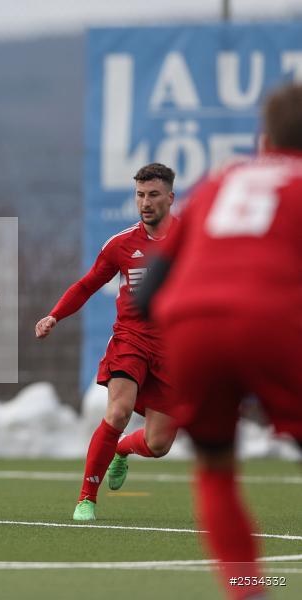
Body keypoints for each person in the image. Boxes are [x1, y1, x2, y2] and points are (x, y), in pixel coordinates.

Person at [138, 82, 302, 600]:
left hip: (190, 324)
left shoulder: (221, 179)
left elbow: (149, 294)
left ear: (265, 134)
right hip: (272, 319)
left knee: (215, 467)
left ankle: (248, 589)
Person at [35, 163, 179, 521]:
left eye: (153, 195)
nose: (145, 203)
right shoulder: (121, 244)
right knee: (118, 411)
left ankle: (122, 451)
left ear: (170, 198)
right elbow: (87, 284)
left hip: (173, 350)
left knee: (159, 444)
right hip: (131, 340)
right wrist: (55, 314)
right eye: (140, 195)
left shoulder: (192, 241)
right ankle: (87, 498)